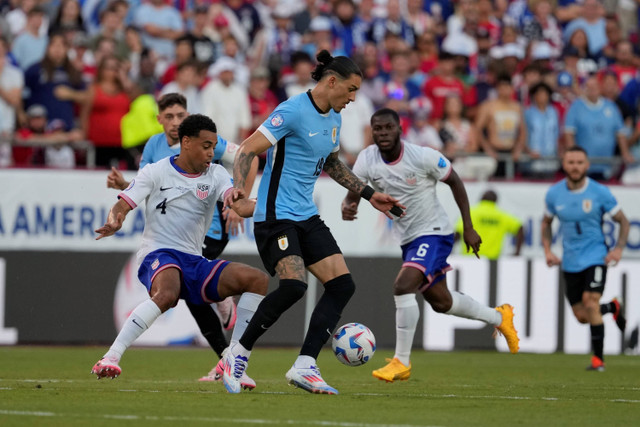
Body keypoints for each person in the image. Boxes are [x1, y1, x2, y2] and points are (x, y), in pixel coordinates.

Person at [221, 50, 405, 395]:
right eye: (350, 90)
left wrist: (369, 195)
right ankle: (236, 354)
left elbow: (331, 164)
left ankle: (305, 365)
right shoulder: (291, 111)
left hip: (305, 215)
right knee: (294, 286)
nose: (352, 99)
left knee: (342, 285)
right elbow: (247, 149)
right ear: (331, 81)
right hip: (275, 217)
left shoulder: (333, 119)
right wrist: (237, 188)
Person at [342, 108, 519, 383]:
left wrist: (469, 227)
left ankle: (401, 361)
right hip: (409, 239)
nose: (383, 133)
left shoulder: (422, 156)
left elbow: (455, 181)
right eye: (378, 129)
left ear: (400, 129)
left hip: (434, 233)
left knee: (402, 286)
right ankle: (499, 317)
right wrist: (349, 203)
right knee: (442, 302)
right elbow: (355, 188)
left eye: (389, 127)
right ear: (372, 131)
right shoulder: (367, 158)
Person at [91, 114, 267, 381]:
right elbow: (123, 204)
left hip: (194, 261)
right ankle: (111, 357)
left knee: (257, 280)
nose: (211, 152)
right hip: (157, 253)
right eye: (206, 146)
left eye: (214, 146)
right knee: (168, 294)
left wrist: (266, 204)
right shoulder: (155, 171)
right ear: (186, 142)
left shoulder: (217, 174)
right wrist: (115, 219)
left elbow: (237, 203)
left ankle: (233, 360)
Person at [541, 146, 629, 372]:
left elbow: (623, 221)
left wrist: (618, 249)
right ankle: (612, 307)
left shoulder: (600, 193)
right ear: (564, 164)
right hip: (571, 262)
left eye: (580, 162)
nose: (575, 167)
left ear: (587, 165)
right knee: (582, 316)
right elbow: (546, 224)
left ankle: (598, 360)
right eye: (571, 162)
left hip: (596, 255)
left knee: (590, 302)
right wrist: (548, 250)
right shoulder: (554, 194)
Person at [455, 190, 524, 260]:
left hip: (470, 259)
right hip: (492, 262)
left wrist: (447, 251)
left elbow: (458, 234)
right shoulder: (501, 216)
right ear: (496, 201)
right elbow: (520, 228)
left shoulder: (471, 213)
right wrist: (517, 252)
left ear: (481, 199)